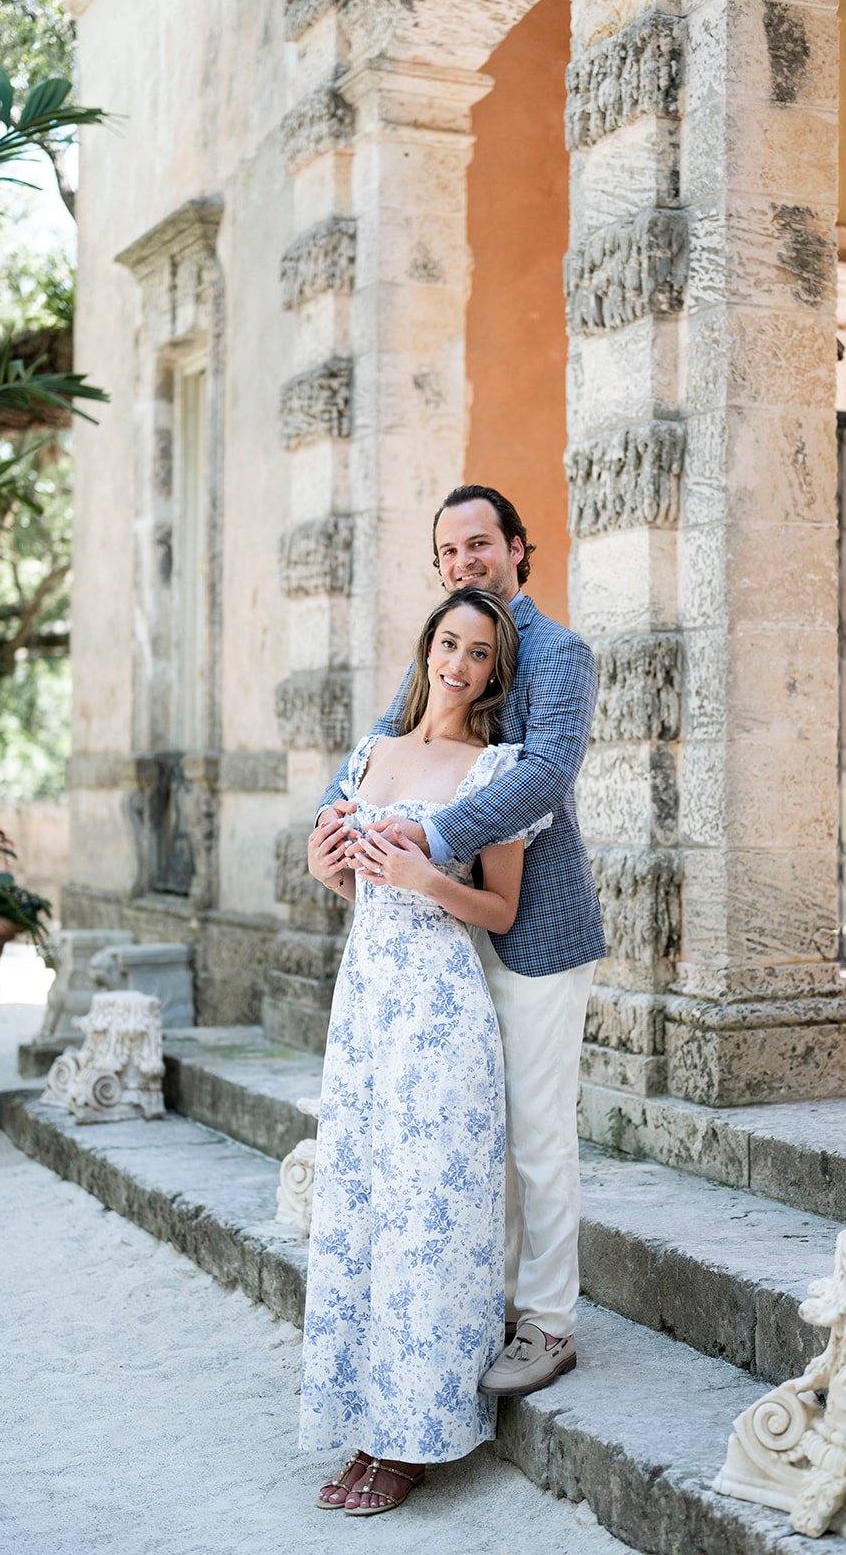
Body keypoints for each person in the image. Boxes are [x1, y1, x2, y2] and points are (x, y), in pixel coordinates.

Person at [310, 485, 606, 1414]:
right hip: (433, 937)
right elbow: (378, 746)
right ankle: (481, 1306)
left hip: (535, 924)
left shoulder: (559, 654)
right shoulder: (445, 638)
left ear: (519, 547)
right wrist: (329, 828)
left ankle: (548, 1320)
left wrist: (426, 845)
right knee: (466, 1132)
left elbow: (548, 772)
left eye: (480, 543)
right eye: (448, 550)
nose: (464, 560)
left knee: (536, 1129)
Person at [300, 586, 549, 1517]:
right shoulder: (372, 754)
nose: (458, 663)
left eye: (479, 653)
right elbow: (338, 880)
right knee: (364, 1210)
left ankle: (414, 1440)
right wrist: (331, 865)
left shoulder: (497, 771)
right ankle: (365, 1425)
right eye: (449, 643)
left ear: (494, 673)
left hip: (442, 1015)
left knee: (427, 1220)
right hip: (364, 1009)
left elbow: (500, 911)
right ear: (428, 647)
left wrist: (421, 874)